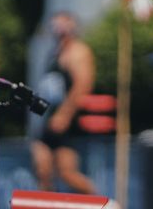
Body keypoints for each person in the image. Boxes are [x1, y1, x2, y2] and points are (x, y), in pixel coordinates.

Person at [30, 13, 101, 196]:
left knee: (67, 173)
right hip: (49, 119)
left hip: (67, 121)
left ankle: (104, 204)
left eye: (64, 22)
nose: (58, 27)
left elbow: (83, 85)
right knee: (42, 170)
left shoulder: (78, 51)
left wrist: (65, 114)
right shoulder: (54, 52)